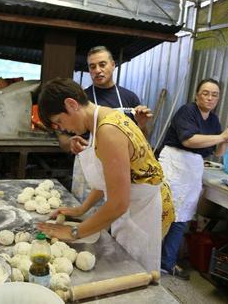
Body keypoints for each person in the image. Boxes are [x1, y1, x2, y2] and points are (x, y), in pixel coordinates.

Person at [36, 78, 174, 272]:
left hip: (143, 210)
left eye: (60, 121)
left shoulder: (108, 131)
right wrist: (81, 209)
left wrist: (73, 232)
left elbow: (118, 203)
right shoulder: (104, 118)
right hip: (135, 204)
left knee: (135, 274)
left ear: (71, 104)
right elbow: (109, 179)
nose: (64, 129)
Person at [159, 78, 228, 280]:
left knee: (182, 218)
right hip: (174, 164)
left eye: (215, 94)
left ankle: (166, 263)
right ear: (197, 95)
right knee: (162, 214)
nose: (210, 97)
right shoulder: (187, 111)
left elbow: (218, 152)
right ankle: (144, 259)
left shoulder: (213, 120)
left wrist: (227, 141)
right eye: (205, 93)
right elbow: (190, 139)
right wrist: (222, 136)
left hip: (193, 169)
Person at [58, 46, 152, 203]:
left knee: (116, 214)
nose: (97, 70)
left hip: (120, 168)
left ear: (113, 65)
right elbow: (63, 137)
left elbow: (141, 141)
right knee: (86, 215)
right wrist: (69, 143)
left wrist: (141, 125)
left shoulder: (129, 98)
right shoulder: (81, 99)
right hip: (89, 172)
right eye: (92, 66)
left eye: (102, 64)